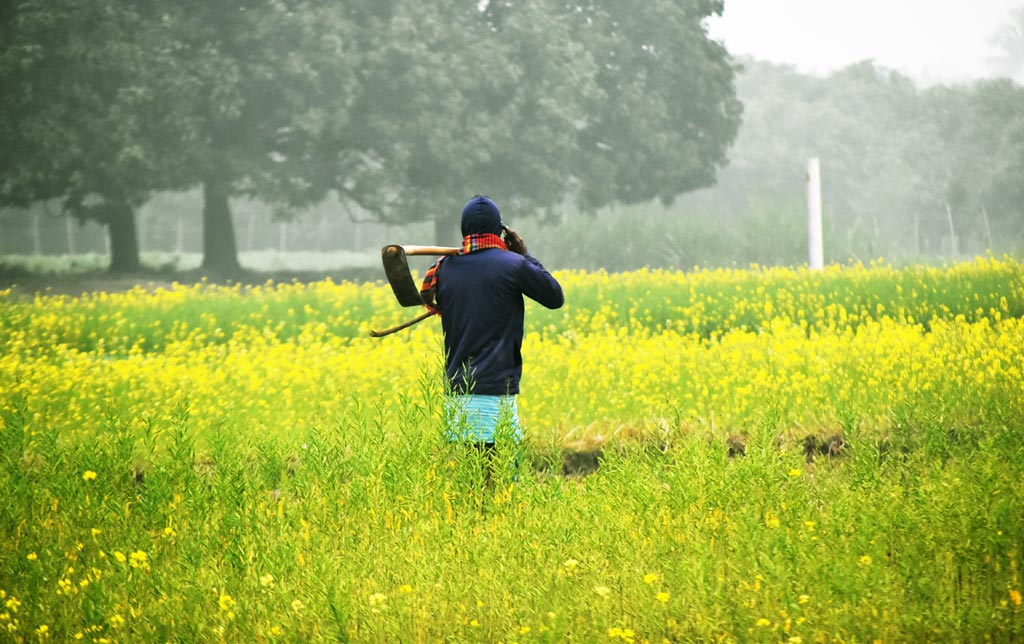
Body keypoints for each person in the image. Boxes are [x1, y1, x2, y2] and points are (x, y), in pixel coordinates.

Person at [420, 195, 564, 471]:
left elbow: (430, 295)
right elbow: (554, 296)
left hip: (458, 391)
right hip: (494, 390)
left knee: (470, 477)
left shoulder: (444, 269)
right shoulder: (513, 265)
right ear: (501, 231)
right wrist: (524, 254)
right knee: (498, 478)